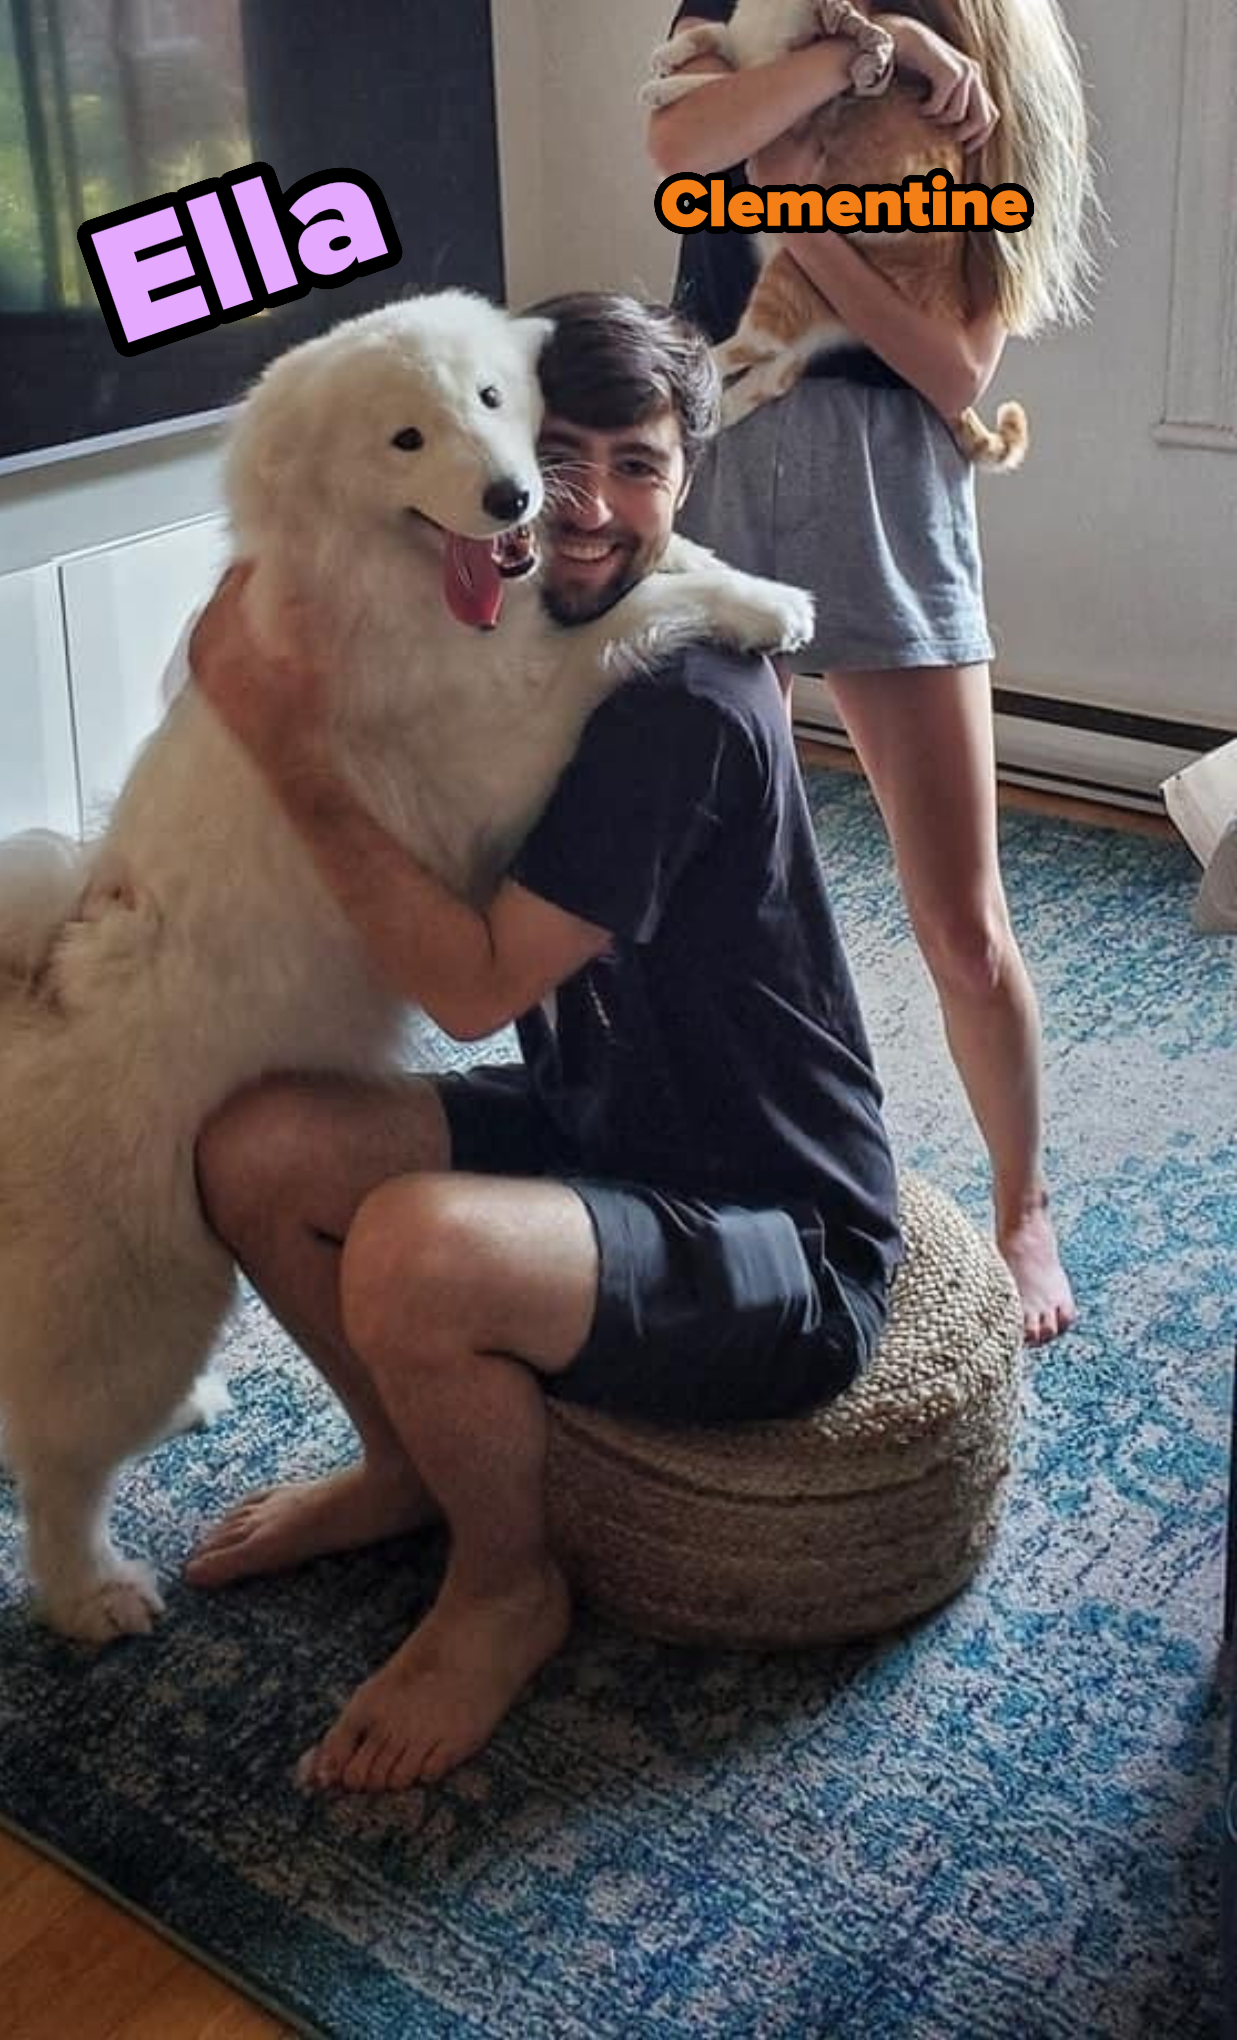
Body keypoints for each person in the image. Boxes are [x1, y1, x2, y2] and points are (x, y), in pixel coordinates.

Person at [182, 291, 902, 1795]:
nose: (585, 506)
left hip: (780, 1224)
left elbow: (469, 989)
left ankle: (508, 1586)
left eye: (637, 467)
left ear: (686, 480)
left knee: (409, 1253)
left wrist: (291, 753)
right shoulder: (527, 617)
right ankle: (402, 1468)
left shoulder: (678, 703)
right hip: (602, 1116)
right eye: (554, 454)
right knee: (255, 1147)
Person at [647, 0, 1097, 1345]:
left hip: (888, 487)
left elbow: (957, 362)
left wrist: (807, 224)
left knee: (959, 916)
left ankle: (1025, 1208)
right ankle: (771, 1170)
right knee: (735, 889)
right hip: (724, 470)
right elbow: (677, 148)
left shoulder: (1004, 84)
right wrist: (857, 59)